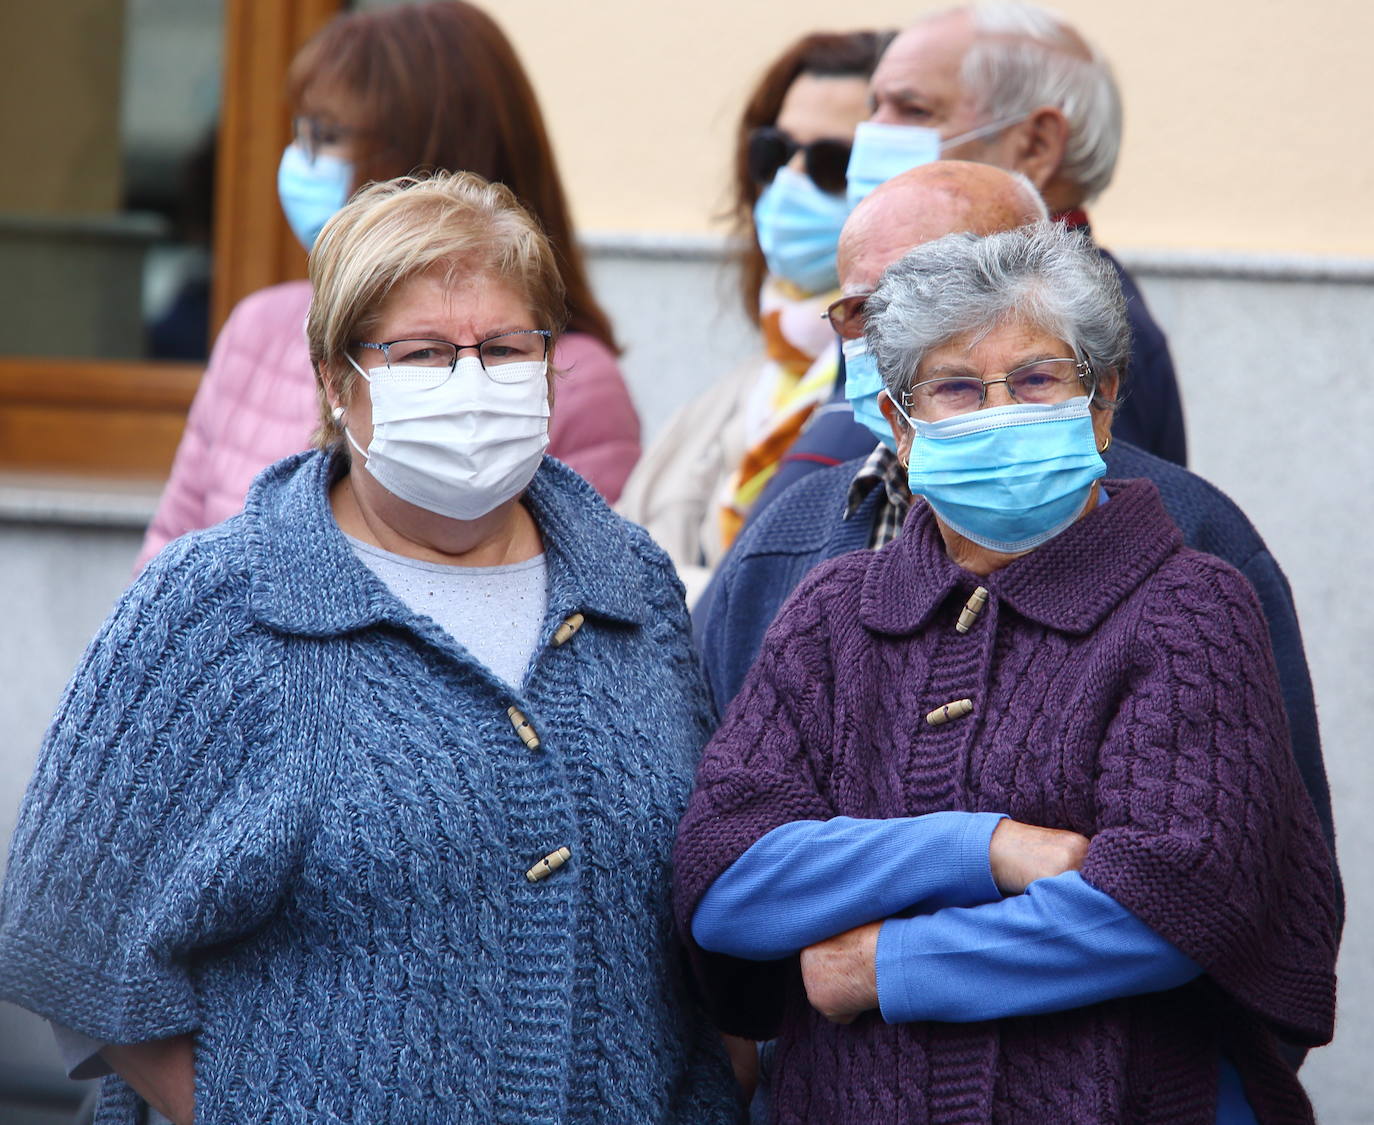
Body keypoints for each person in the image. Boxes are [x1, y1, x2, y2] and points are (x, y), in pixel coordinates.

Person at [0, 173, 739, 1125]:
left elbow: (691, 897)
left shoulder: (628, 587)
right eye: (423, 353)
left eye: (506, 348)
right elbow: (70, 932)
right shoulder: (221, 605)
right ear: (338, 380)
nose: (471, 383)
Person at [674, 222, 1337, 1124]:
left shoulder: (1187, 605)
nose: (998, 410)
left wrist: (881, 965)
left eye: (1036, 379)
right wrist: (983, 848)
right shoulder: (833, 612)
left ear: (1101, 406)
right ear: (901, 429)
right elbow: (726, 882)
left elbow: (1175, 901)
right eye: (954, 387)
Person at [136, 0, 638, 572]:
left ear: (420, 157)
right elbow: (169, 551)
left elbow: (591, 594)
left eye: (329, 136)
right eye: (303, 133)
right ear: (332, 374)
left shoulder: (568, 378)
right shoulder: (258, 327)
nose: (303, 162)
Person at [745, 1, 1185, 526]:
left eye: (913, 110)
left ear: (1036, 143)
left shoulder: (1078, 329)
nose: (871, 138)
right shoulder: (903, 284)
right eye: (874, 108)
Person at [617, 30, 890, 600]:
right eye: (774, 151)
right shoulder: (725, 399)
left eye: (831, 163)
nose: (789, 180)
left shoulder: (908, 404)